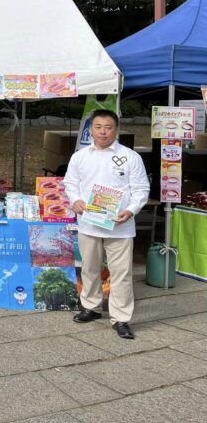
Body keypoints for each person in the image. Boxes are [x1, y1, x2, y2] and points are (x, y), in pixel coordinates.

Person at [63, 109, 149, 340]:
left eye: (108, 127)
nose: (103, 132)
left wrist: (131, 210)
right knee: (89, 268)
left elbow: (141, 190)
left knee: (121, 273)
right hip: (89, 223)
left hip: (119, 226)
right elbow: (70, 184)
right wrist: (76, 201)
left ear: (116, 129)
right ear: (90, 129)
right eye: (98, 127)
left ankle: (121, 318)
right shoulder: (80, 156)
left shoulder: (131, 157)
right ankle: (91, 307)